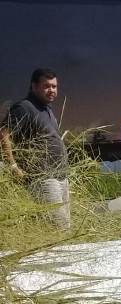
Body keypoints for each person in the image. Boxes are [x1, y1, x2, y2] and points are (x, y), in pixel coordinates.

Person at [0, 68, 71, 229]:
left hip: (60, 176)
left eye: (54, 86)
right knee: (57, 228)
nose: (51, 90)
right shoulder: (24, 107)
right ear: (34, 86)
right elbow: (4, 134)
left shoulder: (47, 109)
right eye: (46, 86)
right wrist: (12, 166)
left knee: (65, 227)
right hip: (43, 178)